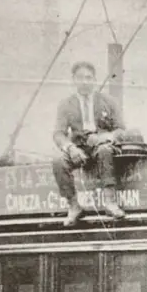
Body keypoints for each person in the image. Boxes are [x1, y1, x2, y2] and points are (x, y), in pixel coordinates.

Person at [52, 61, 127, 226]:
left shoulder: (108, 101)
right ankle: (74, 205)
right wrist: (71, 148)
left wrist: (106, 136)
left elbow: (121, 129)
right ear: (73, 80)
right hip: (79, 149)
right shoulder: (65, 104)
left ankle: (110, 202)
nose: (84, 82)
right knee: (58, 161)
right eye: (80, 78)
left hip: (101, 146)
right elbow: (58, 133)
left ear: (94, 80)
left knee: (105, 150)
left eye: (88, 78)